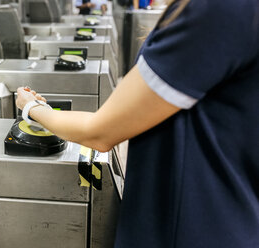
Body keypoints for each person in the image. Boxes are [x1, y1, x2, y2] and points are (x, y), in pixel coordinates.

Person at [16, 0, 259, 247]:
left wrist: (31, 107)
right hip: (222, 216)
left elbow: (98, 133)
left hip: (189, 226)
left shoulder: (219, 8)